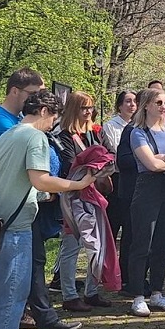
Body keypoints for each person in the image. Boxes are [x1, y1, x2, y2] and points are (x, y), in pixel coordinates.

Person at [0, 90, 94, 329]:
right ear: (44, 111)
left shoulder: (7, 135)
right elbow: (41, 179)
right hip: (16, 229)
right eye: (53, 118)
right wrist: (78, 185)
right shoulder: (35, 137)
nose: (52, 125)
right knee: (11, 296)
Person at [127, 87, 165, 317]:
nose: (164, 107)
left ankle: (157, 291)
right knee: (142, 242)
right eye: (159, 103)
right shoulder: (137, 132)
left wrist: (164, 158)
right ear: (147, 106)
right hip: (148, 189)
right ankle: (137, 295)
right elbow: (150, 165)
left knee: (163, 242)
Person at [55, 91, 107, 312]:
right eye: (83, 108)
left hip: (95, 193)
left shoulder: (95, 132)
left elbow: (107, 156)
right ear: (73, 109)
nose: (88, 112)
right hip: (73, 196)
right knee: (72, 246)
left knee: (96, 244)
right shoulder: (65, 136)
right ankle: (69, 295)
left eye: (90, 107)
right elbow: (70, 164)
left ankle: (91, 291)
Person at [101, 90, 137, 291]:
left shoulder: (140, 125)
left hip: (133, 180)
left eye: (135, 102)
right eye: (128, 101)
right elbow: (115, 151)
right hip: (115, 181)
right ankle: (107, 272)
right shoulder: (111, 126)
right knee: (113, 228)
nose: (132, 105)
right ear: (120, 105)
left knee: (130, 230)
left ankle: (125, 272)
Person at [0, 68, 45, 150]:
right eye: (33, 93)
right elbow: (30, 148)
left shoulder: (21, 116)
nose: (38, 99)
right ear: (15, 91)